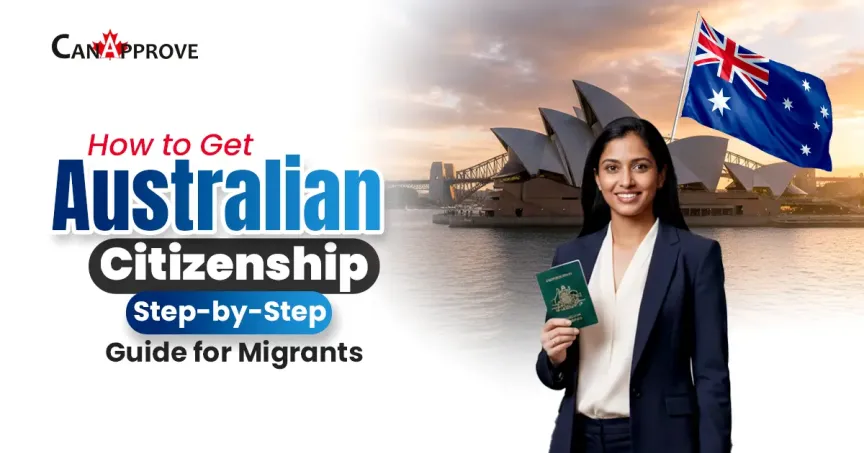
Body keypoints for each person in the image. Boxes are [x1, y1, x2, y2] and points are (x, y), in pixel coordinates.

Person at [535, 117, 731, 453]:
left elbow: (713, 377)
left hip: (662, 439)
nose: (626, 181)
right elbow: (557, 375)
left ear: (661, 175)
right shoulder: (571, 256)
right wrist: (553, 357)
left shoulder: (696, 256)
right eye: (611, 168)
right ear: (597, 179)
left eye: (640, 166)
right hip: (576, 439)